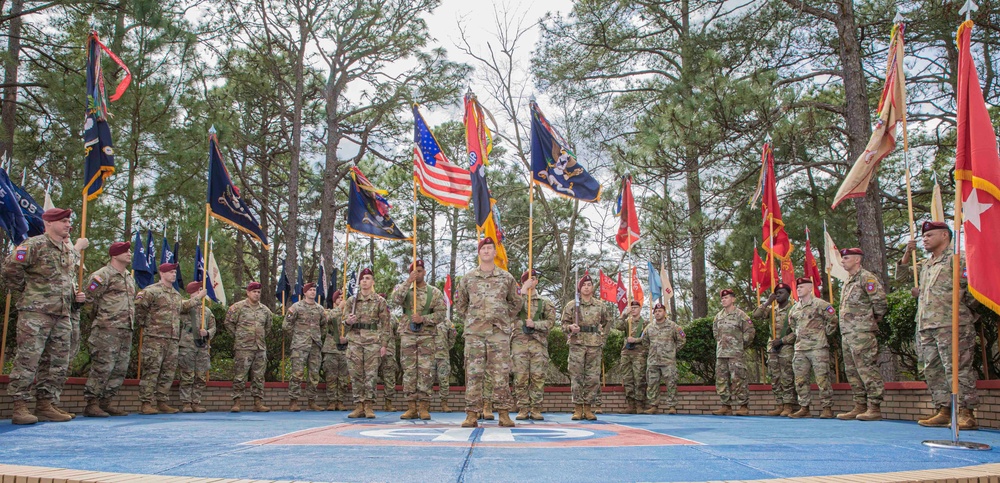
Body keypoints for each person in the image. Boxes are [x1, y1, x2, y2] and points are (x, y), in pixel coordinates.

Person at [2, 208, 85, 425]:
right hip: (36, 313)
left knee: (57, 362)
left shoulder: (67, 251)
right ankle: (20, 406)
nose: (68, 225)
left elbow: (66, 280)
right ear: (48, 223)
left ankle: (46, 403)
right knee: (29, 359)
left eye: (69, 221)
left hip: (62, 313)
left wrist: (75, 297)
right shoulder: (34, 244)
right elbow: (10, 269)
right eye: (64, 221)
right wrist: (29, 291)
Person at [904, 221, 980, 430]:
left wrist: (966, 311)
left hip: (952, 323)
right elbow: (902, 276)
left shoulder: (958, 258)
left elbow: (974, 289)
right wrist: (906, 254)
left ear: (945, 236)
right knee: (933, 370)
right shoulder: (927, 264)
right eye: (924, 236)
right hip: (927, 324)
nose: (925, 240)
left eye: (930, 235)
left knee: (957, 368)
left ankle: (966, 412)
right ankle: (944, 410)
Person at [454, 238, 523, 428]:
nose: (486, 251)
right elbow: (460, 305)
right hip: (475, 334)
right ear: (479, 253)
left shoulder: (506, 278)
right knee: (473, 374)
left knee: (500, 374)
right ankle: (471, 415)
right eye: (483, 248)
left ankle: (503, 413)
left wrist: (503, 317)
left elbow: (516, 302)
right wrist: (472, 319)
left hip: (498, 333)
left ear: (495, 253)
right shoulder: (468, 278)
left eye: (489, 248)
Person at [135, 262, 206, 415]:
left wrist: (198, 298)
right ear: (162, 273)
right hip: (155, 338)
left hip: (172, 339)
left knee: (168, 372)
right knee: (151, 371)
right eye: (171, 272)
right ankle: (146, 403)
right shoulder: (151, 291)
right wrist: (148, 327)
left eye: (175, 272)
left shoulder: (175, 294)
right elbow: (139, 311)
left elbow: (183, 307)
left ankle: (162, 401)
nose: (174, 274)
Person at [82, 241, 135, 417]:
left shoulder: (128, 276)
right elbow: (88, 301)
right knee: (103, 366)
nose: (129, 253)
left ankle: (106, 402)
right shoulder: (101, 275)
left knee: (119, 368)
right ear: (114, 255)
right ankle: (92, 403)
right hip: (106, 329)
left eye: (129, 250)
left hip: (125, 329)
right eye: (125, 251)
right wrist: (103, 320)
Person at [836, 247, 887, 421]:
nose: (843, 261)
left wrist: (870, 321)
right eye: (842, 258)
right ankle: (859, 405)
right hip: (848, 333)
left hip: (862, 332)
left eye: (846, 258)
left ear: (857, 259)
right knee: (852, 370)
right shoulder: (848, 281)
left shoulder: (866, 278)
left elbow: (880, 302)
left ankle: (874, 406)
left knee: (866, 368)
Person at [391, 260, 446, 420]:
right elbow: (395, 299)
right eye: (415, 271)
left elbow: (441, 314)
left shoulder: (434, 293)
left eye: (420, 271)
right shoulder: (405, 290)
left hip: (426, 336)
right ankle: (411, 407)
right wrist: (408, 281)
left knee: (426, 371)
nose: (418, 273)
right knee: (409, 371)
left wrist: (423, 318)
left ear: (425, 272)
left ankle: (423, 406)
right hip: (408, 335)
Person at [336, 268, 390, 419]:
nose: (365, 281)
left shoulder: (380, 301)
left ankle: (369, 405)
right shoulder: (351, 301)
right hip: (355, 341)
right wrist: (348, 321)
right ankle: (358, 405)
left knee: (371, 375)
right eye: (362, 278)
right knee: (355, 374)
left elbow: (386, 325)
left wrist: (384, 344)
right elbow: (343, 322)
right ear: (359, 282)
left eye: (368, 278)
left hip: (372, 341)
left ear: (372, 282)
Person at [562, 273, 614, 421]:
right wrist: (570, 327)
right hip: (577, 343)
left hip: (594, 344)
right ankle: (578, 407)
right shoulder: (572, 305)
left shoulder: (599, 305)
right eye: (584, 285)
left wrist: (603, 336)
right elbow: (563, 325)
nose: (586, 287)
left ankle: (589, 407)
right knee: (576, 376)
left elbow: (608, 321)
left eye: (589, 285)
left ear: (592, 288)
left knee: (593, 378)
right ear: (580, 287)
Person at [782, 278, 837, 419]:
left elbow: (833, 320)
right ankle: (804, 407)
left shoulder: (820, 304)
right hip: (800, 348)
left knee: (822, 378)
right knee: (800, 380)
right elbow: (793, 326)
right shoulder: (794, 308)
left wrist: (823, 334)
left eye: (801, 287)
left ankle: (826, 407)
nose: (798, 289)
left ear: (810, 288)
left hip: (818, 347)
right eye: (797, 287)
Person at [511, 269, 553, 420]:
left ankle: (536, 408)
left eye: (533, 279)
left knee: (538, 377)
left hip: (537, 343)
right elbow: (509, 313)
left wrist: (535, 324)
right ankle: (522, 407)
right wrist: (522, 292)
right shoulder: (516, 299)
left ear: (536, 282)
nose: (531, 281)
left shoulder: (544, 302)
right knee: (520, 376)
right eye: (527, 279)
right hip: (519, 342)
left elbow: (550, 322)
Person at [227, 282, 274, 413]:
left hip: (260, 347)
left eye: (259, 292)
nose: (257, 294)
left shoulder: (265, 310)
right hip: (243, 347)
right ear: (248, 293)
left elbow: (268, 327)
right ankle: (236, 402)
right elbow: (229, 323)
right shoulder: (238, 307)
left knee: (259, 376)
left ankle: (258, 402)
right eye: (254, 292)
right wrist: (238, 336)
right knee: (240, 375)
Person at [753, 283, 797, 417]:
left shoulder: (793, 309)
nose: (778, 295)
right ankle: (779, 404)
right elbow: (756, 315)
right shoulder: (773, 310)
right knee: (775, 377)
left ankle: (788, 406)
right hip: (772, 348)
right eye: (776, 293)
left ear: (788, 294)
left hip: (786, 347)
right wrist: (767, 302)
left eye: (781, 292)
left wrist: (783, 341)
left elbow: (797, 331)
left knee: (787, 376)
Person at [712, 288, 755, 416]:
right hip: (721, 353)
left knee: (738, 378)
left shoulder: (741, 315)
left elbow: (750, 331)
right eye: (722, 298)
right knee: (721, 379)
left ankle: (743, 405)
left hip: (735, 353)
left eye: (726, 298)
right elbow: (715, 333)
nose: (724, 300)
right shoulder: (718, 316)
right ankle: (726, 405)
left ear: (733, 299)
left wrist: (741, 344)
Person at [285, 282, 325, 411]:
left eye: (314, 290)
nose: (313, 292)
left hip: (315, 345)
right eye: (310, 290)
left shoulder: (320, 309)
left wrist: (318, 336)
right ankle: (293, 401)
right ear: (305, 292)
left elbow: (324, 325)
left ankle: (311, 401)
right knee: (297, 374)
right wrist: (297, 337)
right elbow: (286, 325)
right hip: (300, 345)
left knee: (314, 374)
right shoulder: (296, 307)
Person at [178, 281, 216, 413]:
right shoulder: (185, 305)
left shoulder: (207, 310)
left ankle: (196, 402)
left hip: (202, 346)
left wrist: (208, 333)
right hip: (187, 344)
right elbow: (182, 307)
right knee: (187, 375)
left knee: (200, 376)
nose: (202, 291)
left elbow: (213, 326)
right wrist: (198, 297)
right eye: (199, 289)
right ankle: (186, 402)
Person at [643, 302, 686, 414]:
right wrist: (652, 351)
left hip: (668, 361)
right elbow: (644, 341)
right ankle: (653, 406)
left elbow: (682, 340)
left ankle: (672, 406)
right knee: (652, 384)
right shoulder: (649, 327)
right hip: (653, 361)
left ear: (665, 313)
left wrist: (672, 350)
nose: (657, 313)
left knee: (671, 383)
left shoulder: (673, 326)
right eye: (655, 311)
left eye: (660, 311)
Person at [615, 300, 648, 413]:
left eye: (636, 307)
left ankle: (639, 404)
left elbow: (648, 338)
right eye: (632, 307)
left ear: (640, 309)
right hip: (626, 353)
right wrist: (624, 314)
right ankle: (630, 404)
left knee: (639, 379)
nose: (633, 309)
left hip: (639, 353)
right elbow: (617, 326)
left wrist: (636, 340)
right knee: (628, 379)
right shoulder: (627, 322)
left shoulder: (645, 323)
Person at [321, 290, 349, 410]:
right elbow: (327, 318)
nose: (341, 300)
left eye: (343, 298)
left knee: (343, 377)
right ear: (334, 300)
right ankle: (332, 401)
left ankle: (340, 401)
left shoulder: (349, 314)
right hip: (331, 348)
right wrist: (340, 308)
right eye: (339, 298)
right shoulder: (328, 311)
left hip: (345, 349)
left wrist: (346, 338)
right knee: (331, 377)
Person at [433, 307, 456, 412]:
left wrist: (446, 348)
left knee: (444, 380)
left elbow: (452, 338)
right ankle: (424, 405)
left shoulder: (447, 322)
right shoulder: (426, 320)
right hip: (427, 356)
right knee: (425, 381)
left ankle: (444, 404)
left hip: (443, 356)